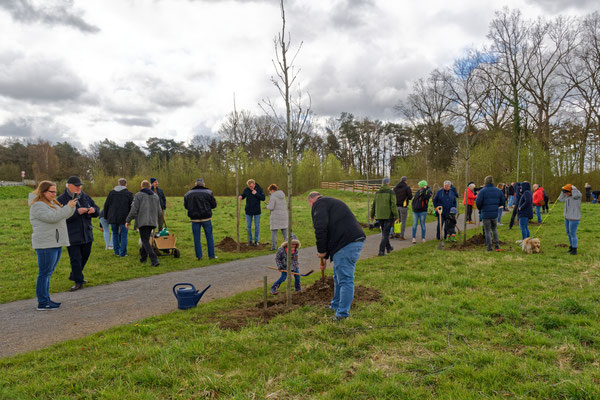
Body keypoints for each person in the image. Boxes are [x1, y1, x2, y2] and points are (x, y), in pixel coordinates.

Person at [308, 191, 365, 321]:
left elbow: (321, 228)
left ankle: (342, 314)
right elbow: (329, 230)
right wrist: (325, 257)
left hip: (347, 243)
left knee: (345, 279)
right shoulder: (329, 203)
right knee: (337, 277)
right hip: (347, 242)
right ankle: (336, 306)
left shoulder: (319, 204)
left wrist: (322, 252)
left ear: (311, 201)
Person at [29, 181, 77, 310]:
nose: (54, 194)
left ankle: (46, 299)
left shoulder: (50, 204)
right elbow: (53, 218)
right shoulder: (37, 206)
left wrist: (71, 207)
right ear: (43, 191)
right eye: (52, 191)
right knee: (44, 273)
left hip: (55, 242)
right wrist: (67, 207)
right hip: (45, 244)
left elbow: (63, 215)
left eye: (56, 191)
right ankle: (42, 302)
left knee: (48, 273)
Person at [57, 176, 99, 292]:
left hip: (87, 233)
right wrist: (76, 212)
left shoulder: (85, 196)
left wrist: (93, 210)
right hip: (72, 234)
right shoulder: (61, 199)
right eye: (76, 185)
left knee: (85, 255)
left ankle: (75, 274)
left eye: (80, 185)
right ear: (69, 186)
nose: (79, 187)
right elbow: (60, 217)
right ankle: (78, 281)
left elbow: (97, 208)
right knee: (75, 258)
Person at [126, 180, 163, 267]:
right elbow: (159, 211)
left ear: (141, 187)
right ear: (150, 187)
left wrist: (128, 220)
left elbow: (134, 210)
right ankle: (143, 258)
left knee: (145, 240)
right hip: (153, 222)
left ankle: (154, 259)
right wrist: (158, 221)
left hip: (142, 221)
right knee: (145, 238)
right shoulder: (156, 196)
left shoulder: (138, 195)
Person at [183, 178, 217, 260]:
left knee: (196, 238)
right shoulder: (209, 193)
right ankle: (211, 256)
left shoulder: (188, 194)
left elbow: (186, 206)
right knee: (209, 237)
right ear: (203, 184)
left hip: (194, 218)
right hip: (206, 217)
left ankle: (199, 256)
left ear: (195, 184)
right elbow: (214, 205)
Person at [103, 178, 133, 257]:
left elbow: (106, 205)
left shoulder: (111, 193)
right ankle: (122, 253)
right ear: (126, 185)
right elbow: (131, 207)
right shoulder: (129, 194)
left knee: (115, 233)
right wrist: (130, 218)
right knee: (124, 235)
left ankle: (116, 252)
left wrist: (106, 216)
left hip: (112, 217)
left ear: (118, 184)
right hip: (124, 218)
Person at [476, 175, 505, 251]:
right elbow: (502, 202)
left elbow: (478, 202)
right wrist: (496, 206)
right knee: (494, 229)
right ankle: (497, 246)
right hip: (494, 213)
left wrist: (480, 209)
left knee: (487, 231)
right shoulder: (498, 191)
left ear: (485, 182)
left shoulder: (482, 191)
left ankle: (489, 247)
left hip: (485, 213)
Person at [371, 177, 399, 256]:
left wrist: (372, 215)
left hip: (379, 216)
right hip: (388, 216)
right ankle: (381, 251)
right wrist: (396, 216)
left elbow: (374, 204)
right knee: (385, 234)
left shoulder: (377, 192)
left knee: (384, 232)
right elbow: (393, 205)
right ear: (388, 183)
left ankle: (389, 248)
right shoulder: (391, 192)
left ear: (382, 183)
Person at [239, 179, 265, 246]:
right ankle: (250, 241)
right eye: (249, 186)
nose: (250, 188)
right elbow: (244, 195)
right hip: (248, 211)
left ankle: (256, 241)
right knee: (248, 227)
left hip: (257, 211)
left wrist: (256, 193)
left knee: (257, 226)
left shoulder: (259, 189)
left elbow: (263, 198)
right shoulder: (246, 189)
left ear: (254, 184)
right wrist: (241, 196)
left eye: (251, 186)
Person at [558, 184, 582, 255]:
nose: (566, 194)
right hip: (567, 217)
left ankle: (574, 250)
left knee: (573, 233)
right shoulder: (566, 195)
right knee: (568, 233)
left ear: (571, 191)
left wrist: (573, 188)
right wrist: (562, 191)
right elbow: (560, 199)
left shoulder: (577, 195)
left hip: (574, 218)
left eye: (567, 192)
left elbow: (575, 194)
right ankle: (571, 247)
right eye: (565, 193)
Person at [266, 184, 288, 251]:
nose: (270, 192)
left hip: (276, 216)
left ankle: (273, 247)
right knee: (284, 230)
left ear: (272, 190)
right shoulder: (283, 196)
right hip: (283, 215)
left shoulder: (273, 197)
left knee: (274, 231)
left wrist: (267, 205)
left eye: (270, 191)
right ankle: (288, 244)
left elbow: (271, 207)